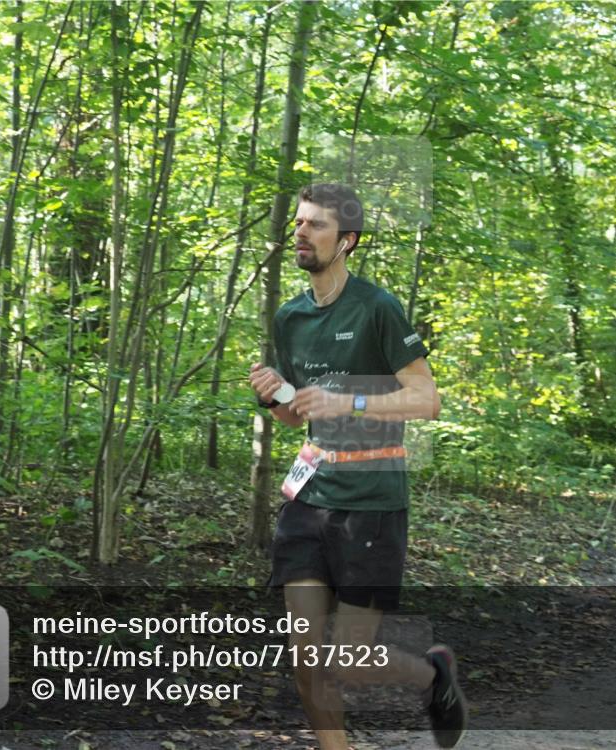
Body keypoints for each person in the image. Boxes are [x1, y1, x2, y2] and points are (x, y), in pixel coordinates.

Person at [249, 183, 466, 749]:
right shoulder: (290, 317)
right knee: (304, 656)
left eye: (315, 225)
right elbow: (299, 417)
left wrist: (352, 401)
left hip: (371, 500)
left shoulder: (377, 307)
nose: (299, 232)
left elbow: (427, 399)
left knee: (348, 657)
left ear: (346, 242)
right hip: (308, 495)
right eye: (298, 222)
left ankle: (431, 676)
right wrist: (274, 397)